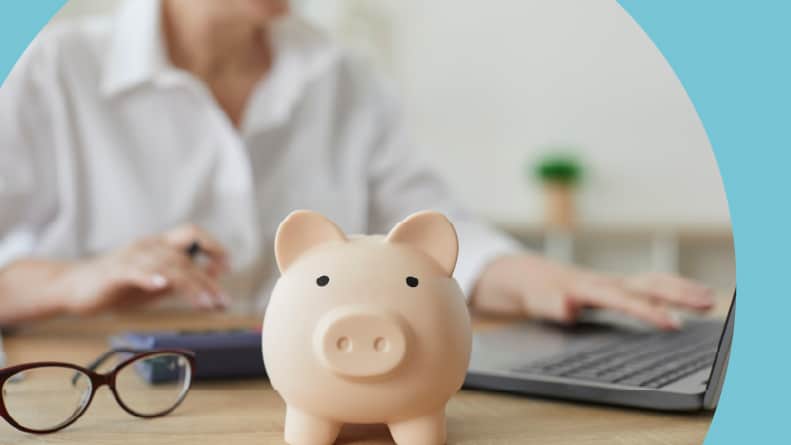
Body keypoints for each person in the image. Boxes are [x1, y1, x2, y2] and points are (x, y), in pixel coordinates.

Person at [0, 0, 713, 326]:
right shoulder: (48, 71)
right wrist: (73, 278)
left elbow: (434, 238)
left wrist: (550, 280)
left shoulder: (343, 75)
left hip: (306, 394)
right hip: (94, 401)